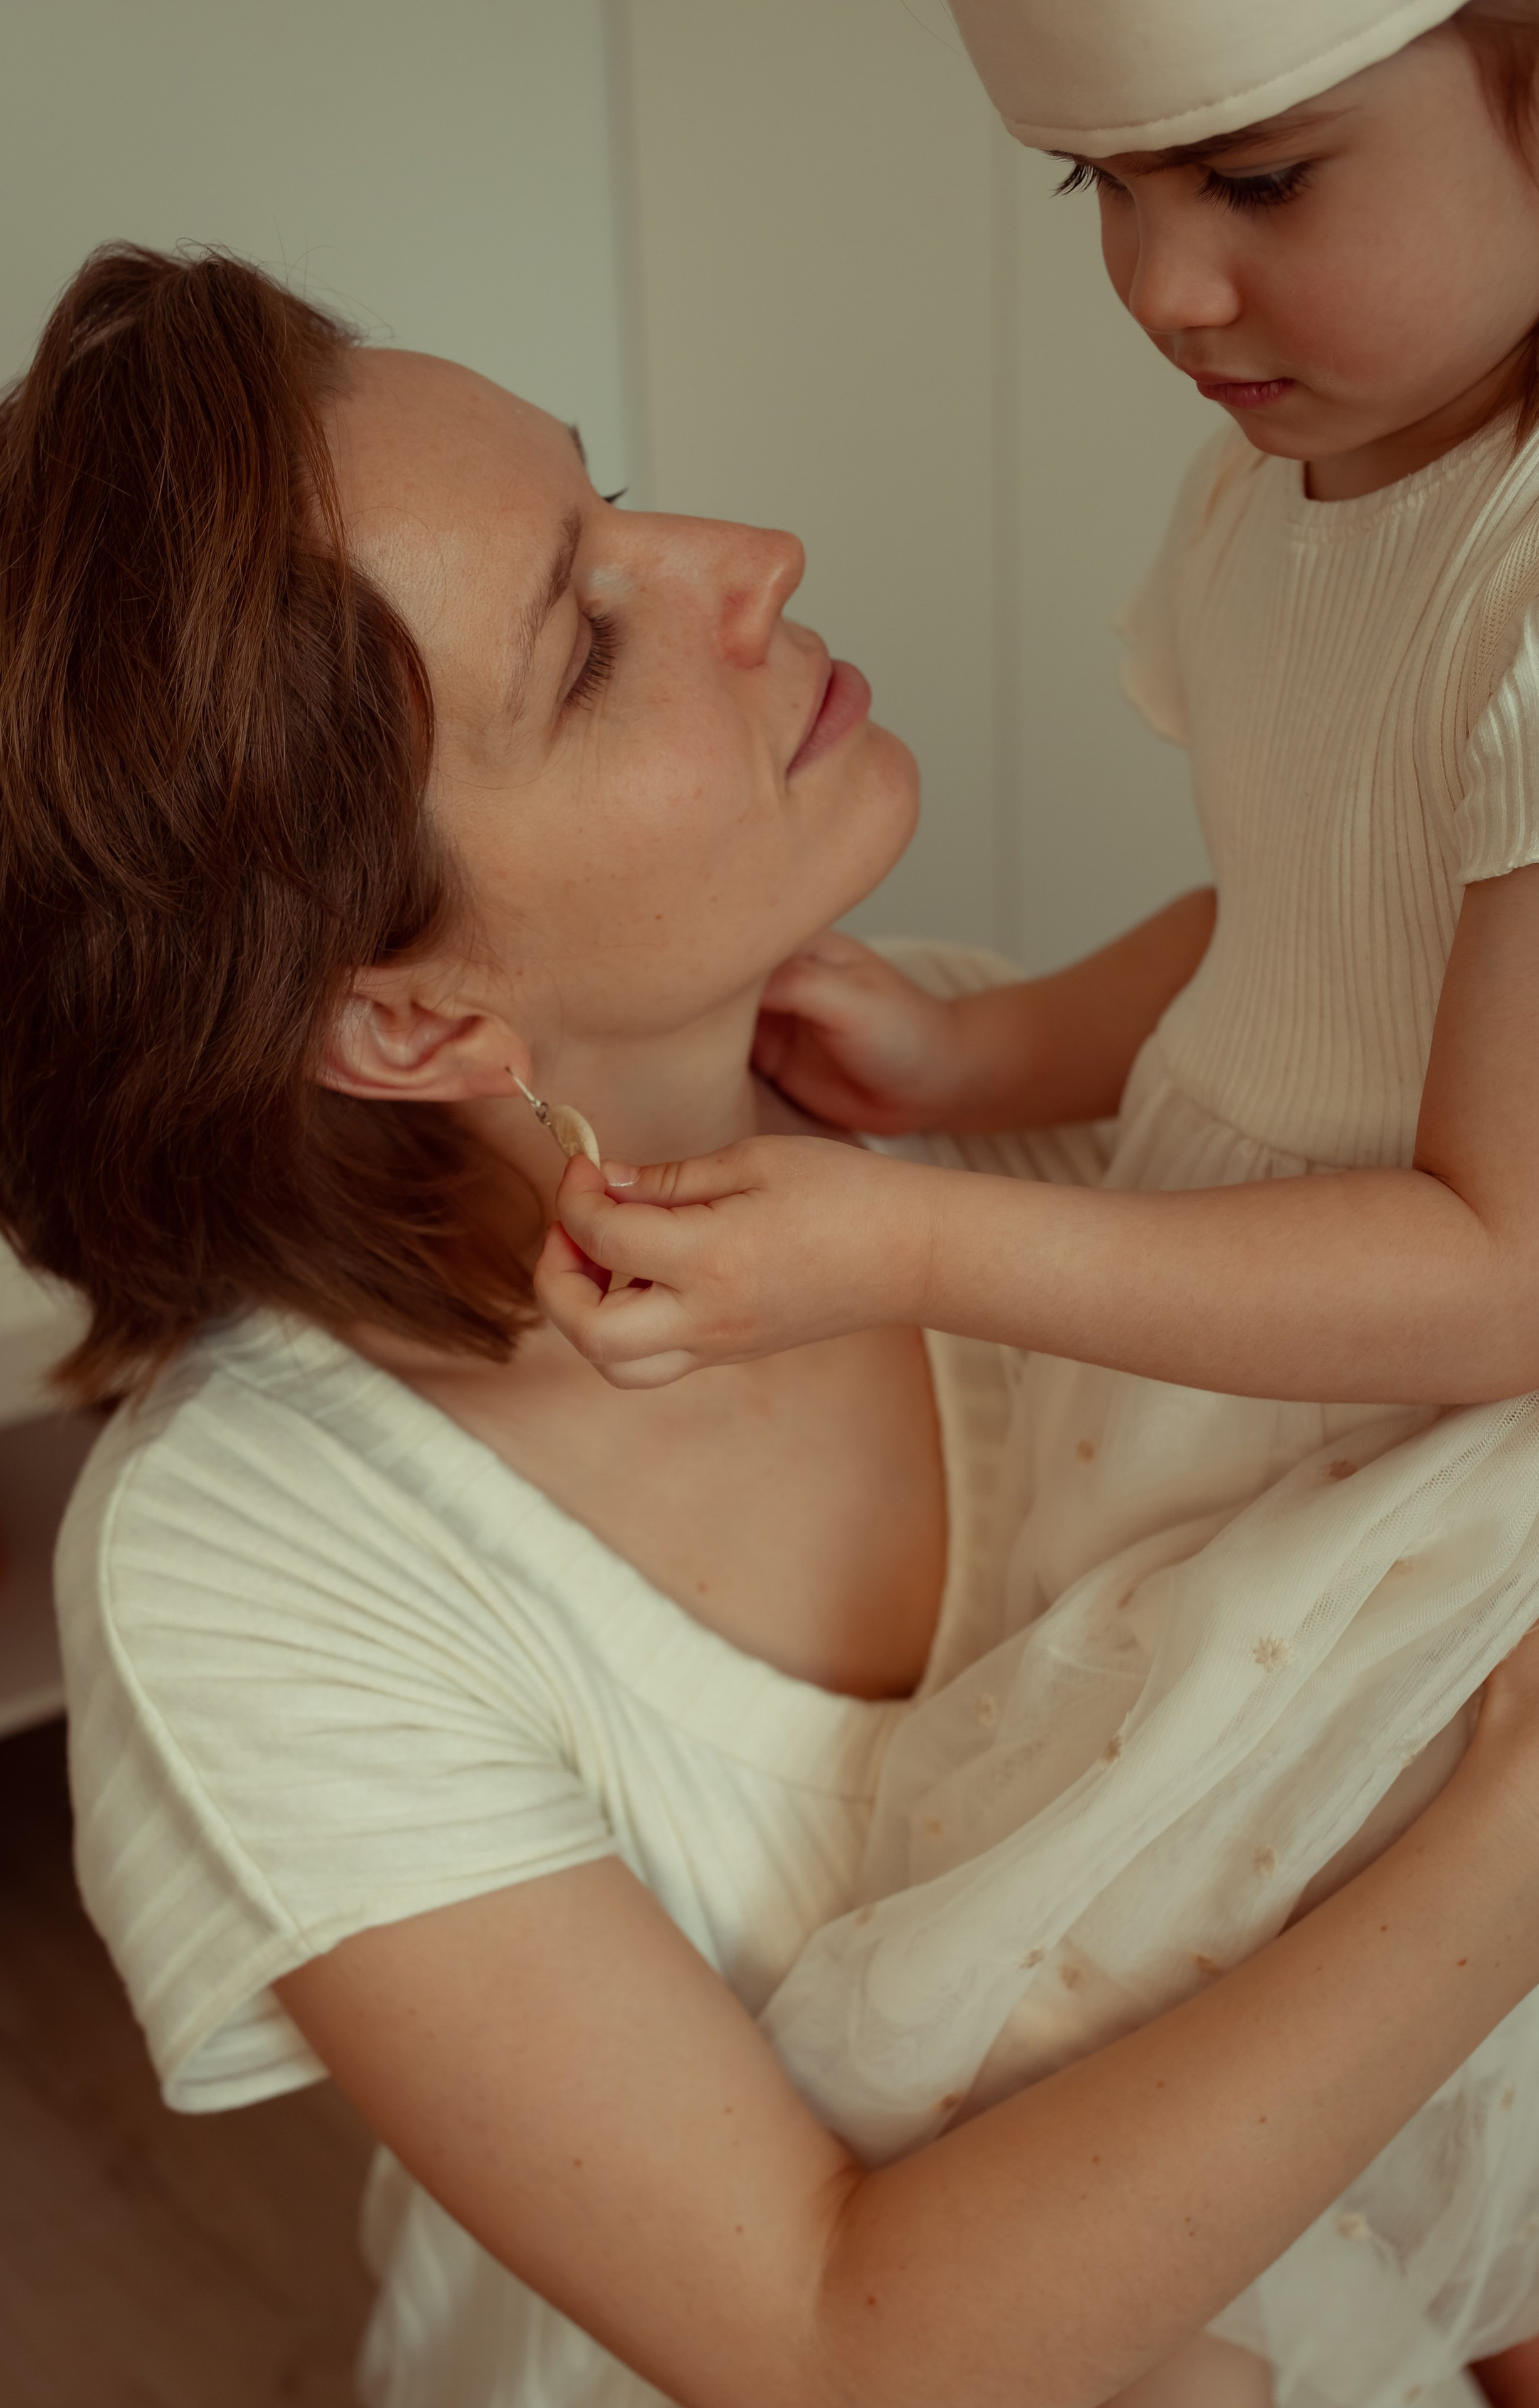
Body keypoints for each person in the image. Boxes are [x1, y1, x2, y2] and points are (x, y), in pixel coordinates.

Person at [0, 243, 1535, 2408]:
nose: (754, 562)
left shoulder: (992, 1082)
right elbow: (828, 2339)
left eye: (612, 501)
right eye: (586, 641)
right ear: (409, 1014)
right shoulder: (257, 1570)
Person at [531, 3, 1539, 2398]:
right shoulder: (1292, 482)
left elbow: (1507, 1270)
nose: (1166, 290)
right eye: (1099, 192)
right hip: (1271, 1370)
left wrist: (909, 1229)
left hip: (1454, 1414)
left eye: (1263, 184)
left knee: (1397, 2048)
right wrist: (990, 1056)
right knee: (1321, 2091)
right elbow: (1320, 924)